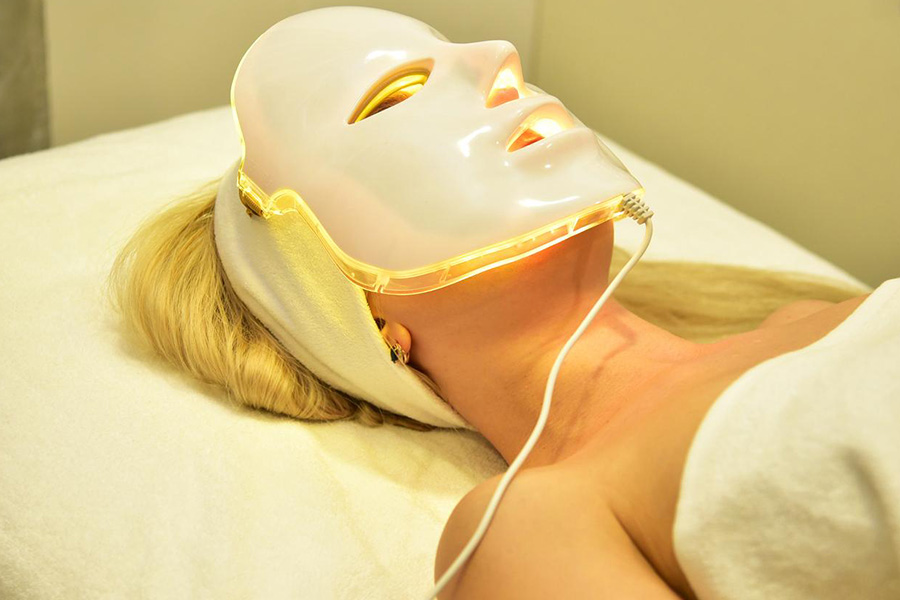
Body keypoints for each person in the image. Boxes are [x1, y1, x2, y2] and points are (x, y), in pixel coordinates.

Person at [106, 7, 892, 599]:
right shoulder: (526, 532)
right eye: (392, 98)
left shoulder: (807, 321)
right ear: (367, 321)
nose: (499, 58)